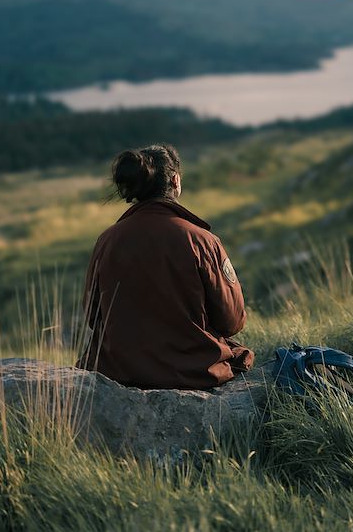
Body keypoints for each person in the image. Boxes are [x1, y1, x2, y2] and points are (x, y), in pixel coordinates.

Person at [76, 144, 254, 389]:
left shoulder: (107, 240)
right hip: (193, 372)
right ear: (175, 180)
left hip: (119, 371)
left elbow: (93, 317)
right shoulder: (202, 240)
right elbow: (231, 321)